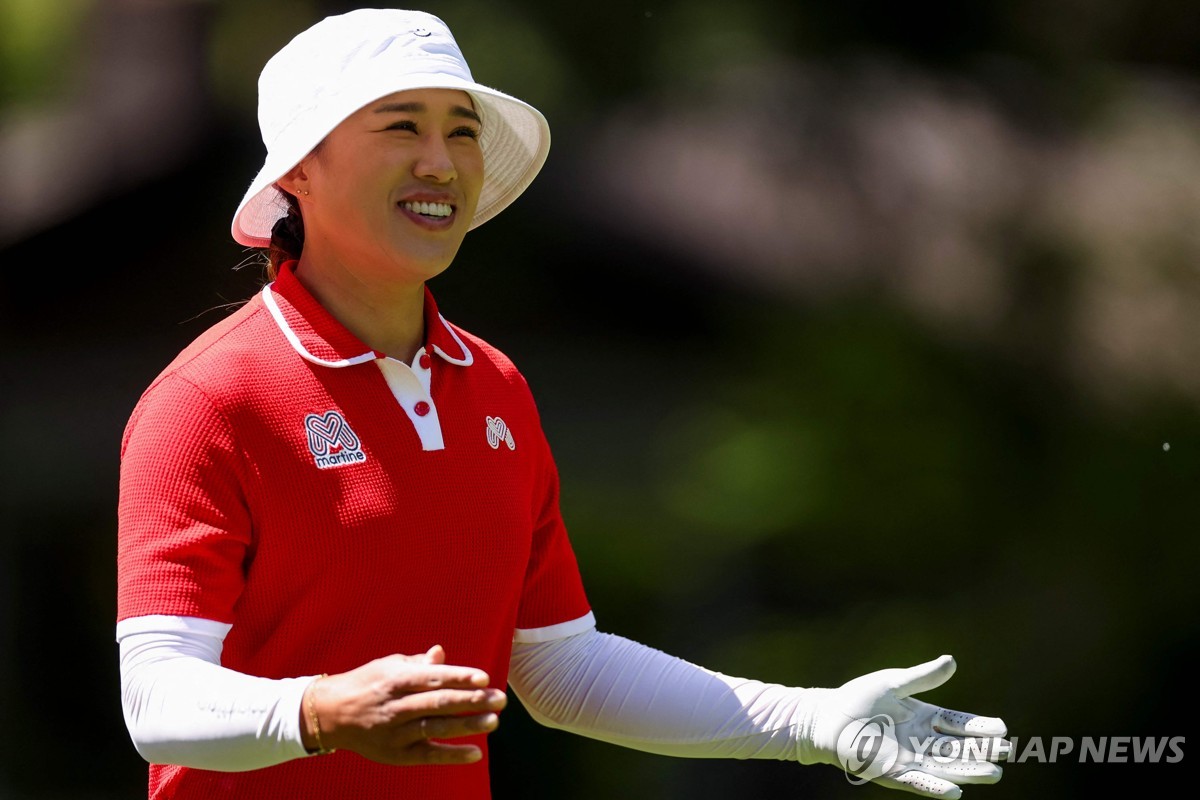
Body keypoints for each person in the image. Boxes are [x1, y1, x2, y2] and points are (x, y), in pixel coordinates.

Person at [115, 8, 1010, 800]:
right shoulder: (208, 402)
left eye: (462, 132)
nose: (442, 161)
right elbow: (157, 699)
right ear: (299, 170)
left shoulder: (494, 387)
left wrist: (811, 724)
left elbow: (559, 666)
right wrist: (317, 710)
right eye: (401, 126)